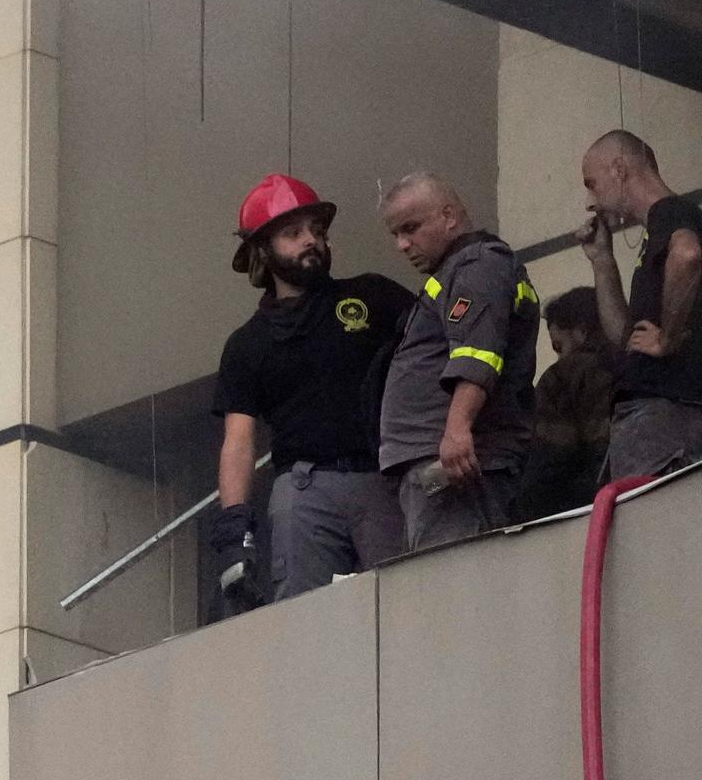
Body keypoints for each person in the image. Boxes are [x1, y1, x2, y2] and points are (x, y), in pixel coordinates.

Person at [207, 173, 410, 601]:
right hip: (304, 491)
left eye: (317, 230)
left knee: (404, 605)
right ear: (262, 249)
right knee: (305, 618)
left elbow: (436, 348)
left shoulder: (373, 296)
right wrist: (234, 532)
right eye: (293, 232)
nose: (311, 240)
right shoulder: (248, 344)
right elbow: (239, 443)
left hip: (383, 478)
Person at [375, 173, 539, 553]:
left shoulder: (477, 265)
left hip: (455, 466)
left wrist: (457, 428)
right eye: (396, 234)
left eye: (410, 228)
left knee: (452, 587)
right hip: (443, 466)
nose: (403, 244)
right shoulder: (459, 269)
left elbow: (478, 351)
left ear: (448, 215)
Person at [583, 129, 702, 482]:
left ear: (619, 169)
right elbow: (625, 336)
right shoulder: (659, 231)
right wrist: (602, 260)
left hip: (664, 416)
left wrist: (666, 339)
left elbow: (689, 254)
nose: (590, 200)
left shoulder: (670, 213)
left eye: (591, 182)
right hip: (659, 415)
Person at [525, 287, 620, 518]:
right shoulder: (636, 366)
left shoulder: (562, 378)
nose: (559, 357)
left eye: (559, 346)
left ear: (581, 332)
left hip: (583, 509)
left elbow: (550, 463)